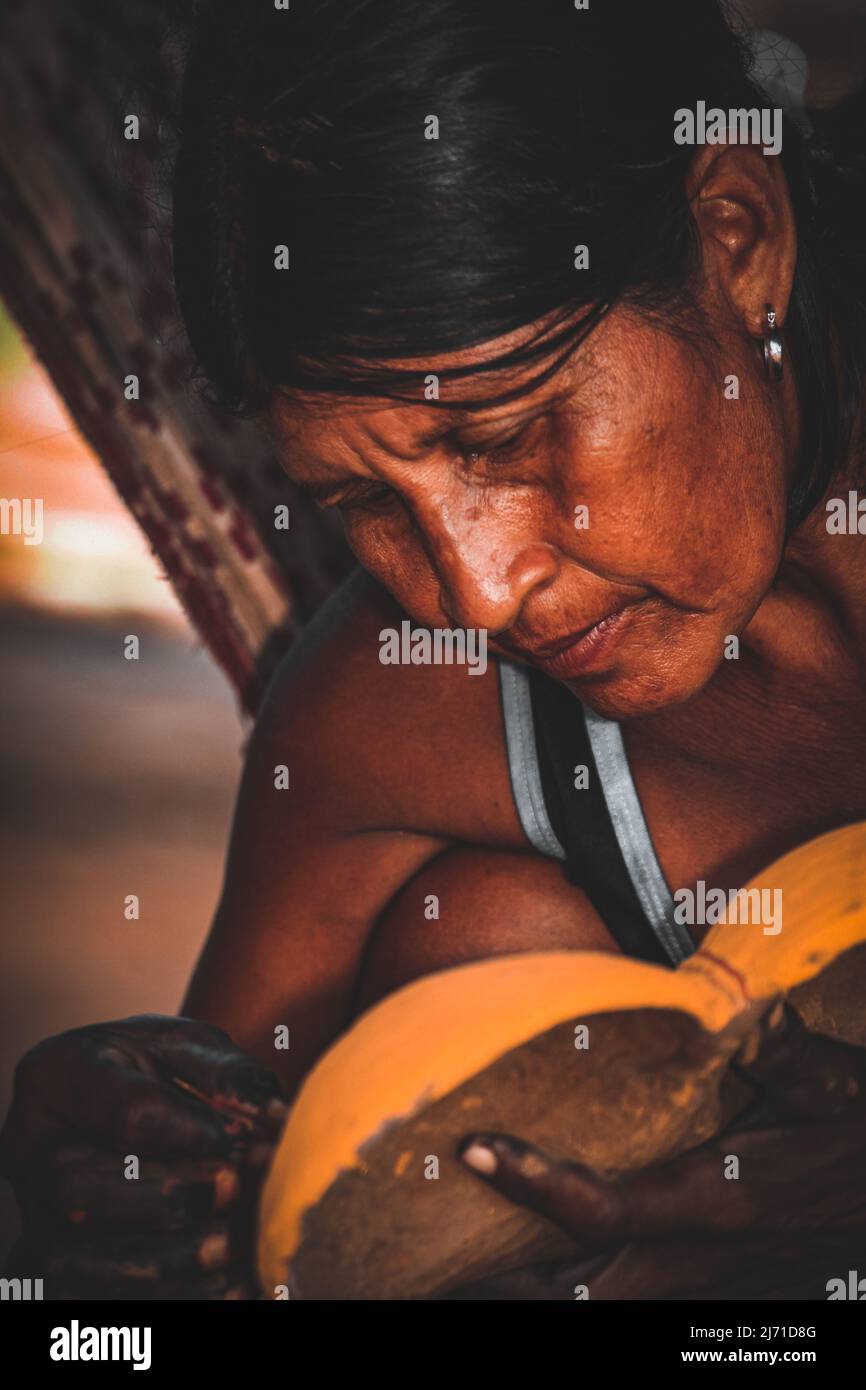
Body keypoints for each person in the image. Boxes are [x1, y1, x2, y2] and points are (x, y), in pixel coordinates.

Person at [2, 0, 866, 1300]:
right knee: (470, 932)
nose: (472, 591)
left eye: (507, 435)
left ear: (734, 235)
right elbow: (181, 1257)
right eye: (363, 502)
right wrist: (115, 1213)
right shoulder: (386, 724)